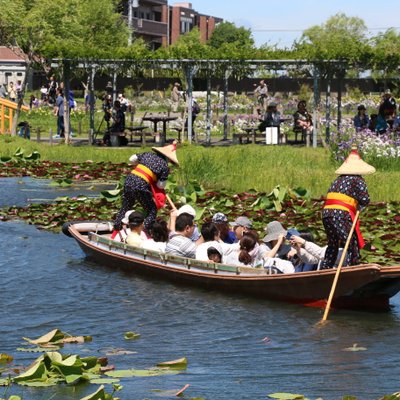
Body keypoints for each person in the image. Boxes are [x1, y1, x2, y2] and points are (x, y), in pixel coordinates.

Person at [320, 145, 375, 269]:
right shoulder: (358, 180)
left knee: (333, 243)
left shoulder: (337, 180)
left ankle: (326, 267)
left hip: (326, 214)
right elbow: (365, 200)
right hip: (341, 214)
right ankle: (353, 267)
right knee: (351, 242)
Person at [112, 142, 179, 236]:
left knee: (125, 207)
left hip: (129, 180)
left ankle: (115, 232)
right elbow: (160, 186)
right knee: (152, 210)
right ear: (167, 158)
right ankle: (142, 233)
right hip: (141, 185)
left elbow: (132, 159)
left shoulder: (147, 154)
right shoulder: (165, 166)